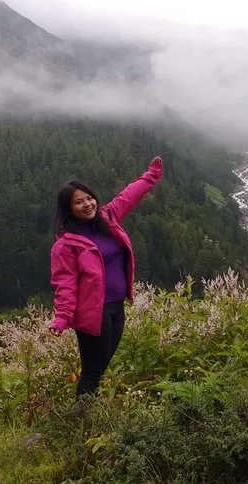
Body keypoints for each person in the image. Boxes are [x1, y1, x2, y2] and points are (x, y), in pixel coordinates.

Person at [48, 156, 163, 400]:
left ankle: (87, 414)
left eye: (89, 198)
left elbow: (130, 195)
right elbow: (64, 284)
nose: (87, 204)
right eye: (79, 202)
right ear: (69, 209)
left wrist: (151, 175)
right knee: (93, 370)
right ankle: (82, 419)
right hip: (93, 312)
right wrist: (62, 317)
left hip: (116, 308)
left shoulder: (107, 218)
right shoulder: (66, 244)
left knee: (100, 367)